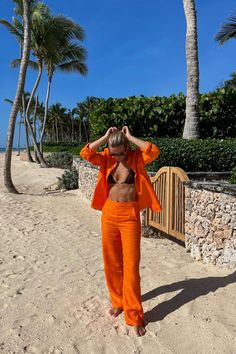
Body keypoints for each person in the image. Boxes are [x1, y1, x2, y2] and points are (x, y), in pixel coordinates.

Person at [80, 126, 162, 336]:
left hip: (130, 216)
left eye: (120, 152)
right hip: (109, 214)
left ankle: (134, 315)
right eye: (113, 152)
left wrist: (130, 136)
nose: (116, 157)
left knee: (131, 266)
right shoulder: (107, 158)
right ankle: (118, 301)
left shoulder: (136, 158)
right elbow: (86, 153)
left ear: (127, 148)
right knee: (112, 262)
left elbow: (153, 150)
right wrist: (106, 138)